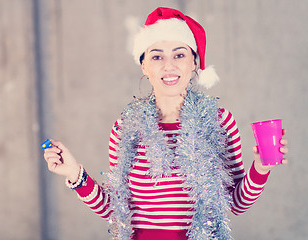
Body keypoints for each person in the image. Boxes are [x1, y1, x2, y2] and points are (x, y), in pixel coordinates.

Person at [43, 7, 288, 240]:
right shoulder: (125, 128)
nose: (168, 66)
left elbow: (235, 204)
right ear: (144, 66)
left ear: (194, 62)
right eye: (157, 56)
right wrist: (75, 174)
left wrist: (261, 168)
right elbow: (116, 210)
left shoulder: (218, 121)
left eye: (179, 55)